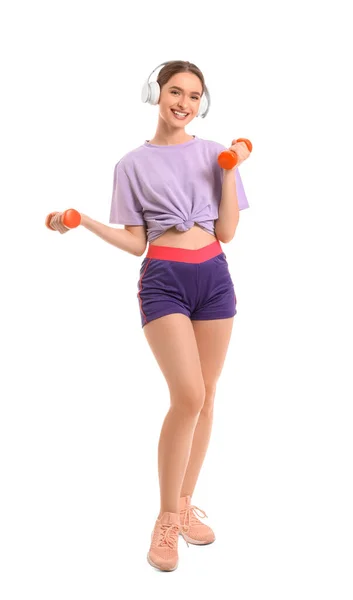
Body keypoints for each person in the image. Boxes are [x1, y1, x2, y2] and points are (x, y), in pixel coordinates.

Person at [49, 60, 251, 572]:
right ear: (155, 93)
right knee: (187, 395)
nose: (183, 102)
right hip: (164, 281)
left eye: (193, 95)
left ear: (201, 103)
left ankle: (184, 508)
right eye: (175, 91)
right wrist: (86, 221)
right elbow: (137, 242)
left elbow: (226, 232)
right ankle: (164, 519)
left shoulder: (213, 153)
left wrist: (229, 170)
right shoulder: (130, 164)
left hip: (214, 278)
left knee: (206, 397)